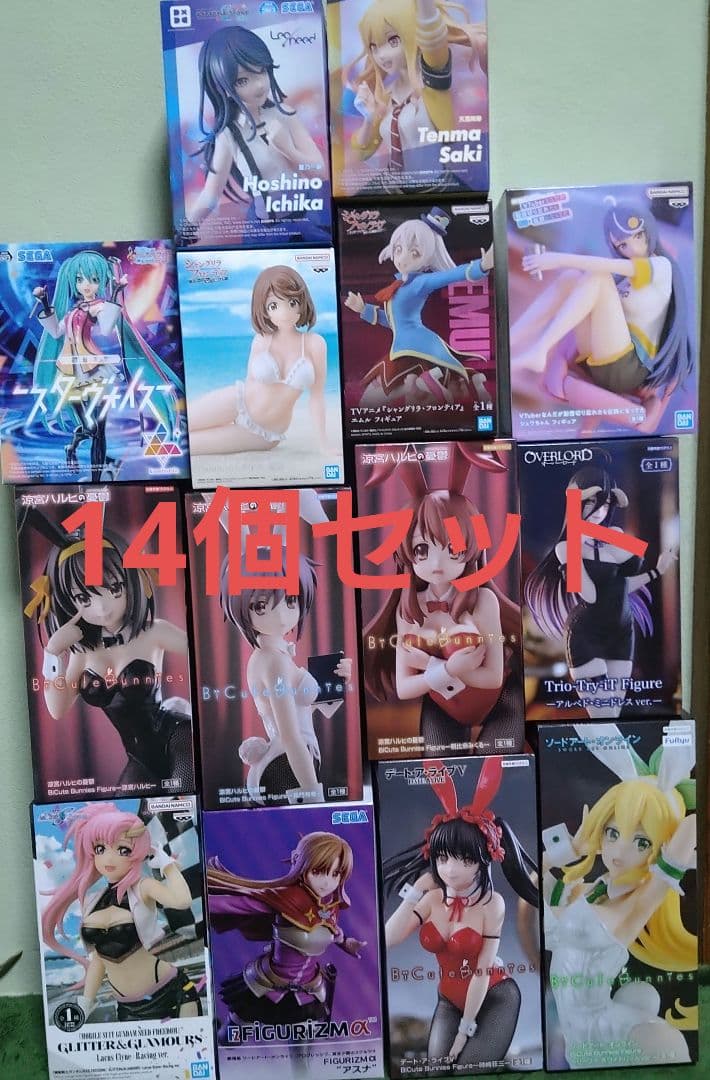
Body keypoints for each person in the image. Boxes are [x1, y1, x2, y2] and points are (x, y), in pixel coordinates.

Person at [542, 722, 697, 1068]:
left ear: (657, 848)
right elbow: (534, 879)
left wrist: (668, 796)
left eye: (641, 841)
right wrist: (574, 847)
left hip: (609, 1031)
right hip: (574, 1042)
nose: (619, 851)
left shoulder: (637, 903)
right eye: (612, 833)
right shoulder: (582, 890)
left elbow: (689, 828)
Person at [365, 444, 522, 754]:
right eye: (422, 549)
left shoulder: (484, 601)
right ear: (407, 552)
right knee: (439, 764)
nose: (437, 564)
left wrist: (429, 665)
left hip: (501, 700)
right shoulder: (409, 608)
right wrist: (449, 669)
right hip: (444, 703)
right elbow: (405, 687)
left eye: (453, 549)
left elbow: (493, 678)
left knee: (496, 759)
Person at [22, 508, 193, 789]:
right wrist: (52, 653)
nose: (102, 608)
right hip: (138, 758)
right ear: (67, 601)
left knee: (181, 796)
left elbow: (202, 656)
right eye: (84, 598)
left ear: (131, 582)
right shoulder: (82, 653)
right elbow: (57, 709)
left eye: (114, 589)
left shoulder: (153, 631)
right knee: (128, 811)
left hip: (177, 736)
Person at [383, 757, 537, 1068]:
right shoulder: (431, 900)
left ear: (484, 860)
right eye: (442, 858)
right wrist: (416, 890)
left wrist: (465, 1032)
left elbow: (482, 971)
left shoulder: (492, 904)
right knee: (437, 1070)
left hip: (494, 996)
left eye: (464, 860)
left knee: (470, 1066)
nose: (451, 870)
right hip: (448, 999)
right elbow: (388, 938)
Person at [513, 197, 693, 433]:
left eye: (638, 236)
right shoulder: (625, 282)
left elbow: (603, 267)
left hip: (629, 368)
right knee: (571, 278)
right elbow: (603, 318)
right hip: (601, 361)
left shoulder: (661, 267)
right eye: (622, 245)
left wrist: (554, 259)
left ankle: (539, 349)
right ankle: (515, 339)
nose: (631, 248)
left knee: (596, 276)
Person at [524, 464, 678, 717]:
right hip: (587, 634)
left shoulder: (612, 538)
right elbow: (589, 595)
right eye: (591, 503)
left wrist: (656, 571)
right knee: (600, 715)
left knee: (612, 715)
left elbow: (621, 583)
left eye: (606, 504)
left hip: (621, 633)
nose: (600, 511)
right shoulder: (566, 548)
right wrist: (581, 538)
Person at [221, 537, 352, 805]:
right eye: (261, 605)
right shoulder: (274, 662)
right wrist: (314, 795)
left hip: (287, 762)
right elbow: (291, 736)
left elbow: (303, 712)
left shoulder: (270, 656)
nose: (281, 615)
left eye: (290, 600)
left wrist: (338, 682)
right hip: (286, 768)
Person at [31, 249, 182, 480]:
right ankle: (73, 447)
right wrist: (44, 301)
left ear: (101, 281)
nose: (86, 285)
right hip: (69, 373)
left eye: (93, 279)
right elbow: (56, 332)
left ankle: (96, 480)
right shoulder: (72, 311)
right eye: (80, 279)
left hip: (95, 372)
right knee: (89, 428)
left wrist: (116, 294)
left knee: (98, 430)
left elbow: (105, 328)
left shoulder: (99, 306)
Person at [41, 802, 201, 1021]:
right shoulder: (91, 902)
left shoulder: (143, 887)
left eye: (123, 850)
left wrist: (168, 866)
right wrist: (86, 1002)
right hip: (126, 1007)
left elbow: (182, 901)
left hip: (171, 991)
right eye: (100, 849)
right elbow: (99, 960)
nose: (109, 858)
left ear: (137, 852)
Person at [207, 831, 364, 1027]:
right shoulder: (286, 899)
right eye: (318, 871)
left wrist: (345, 942)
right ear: (301, 864)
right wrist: (201, 902)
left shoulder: (330, 905)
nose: (327, 882)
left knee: (303, 1038)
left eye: (335, 874)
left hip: (309, 989)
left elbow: (331, 928)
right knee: (235, 1028)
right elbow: (234, 904)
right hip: (267, 985)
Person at [184, 25, 324, 237]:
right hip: (270, 231)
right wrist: (186, 230)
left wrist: (289, 150)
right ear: (223, 88)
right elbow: (211, 194)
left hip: (309, 218)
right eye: (242, 80)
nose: (259, 85)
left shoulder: (285, 113)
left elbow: (319, 171)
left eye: (262, 71)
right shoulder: (229, 135)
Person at [344, 207, 492, 406]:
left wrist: (481, 266)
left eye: (414, 253)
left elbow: (449, 275)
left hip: (413, 347)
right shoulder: (401, 284)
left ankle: (429, 381)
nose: (403, 258)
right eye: (399, 249)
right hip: (410, 344)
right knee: (373, 398)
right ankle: (454, 381)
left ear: (428, 258)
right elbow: (395, 322)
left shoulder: (420, 282)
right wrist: (363, 309)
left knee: (370, 400)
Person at [187, 265, 332, 458]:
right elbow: (250, 380)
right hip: (238, 401)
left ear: (302, 301)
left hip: (266, 434)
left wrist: (324, 446)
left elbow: (317, 397)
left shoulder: (315, 344)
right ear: (263, 308)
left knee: (188, 445)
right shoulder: (262, 339)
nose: (285, 313)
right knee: (177, 425)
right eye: (274, 305)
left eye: (292, 302)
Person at [346, 0, 486, 188]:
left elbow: (432, 37)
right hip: (393, 191)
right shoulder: (386, 95)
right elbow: (363, 151)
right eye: (374, 47)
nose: (381, 55)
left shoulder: (433, 80)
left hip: (437, 188)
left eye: (392, 41)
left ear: (412, 32)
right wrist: (368, 118)